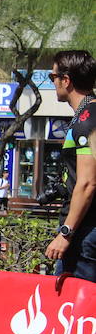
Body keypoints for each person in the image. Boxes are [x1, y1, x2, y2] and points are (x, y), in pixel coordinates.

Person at [44, 50, 96, 280]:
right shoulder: (88, 115)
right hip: (86, 231)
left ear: (66, 80)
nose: (53, 83)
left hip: (85, 233)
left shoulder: (87, 121)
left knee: (75, 311)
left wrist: (65, 233)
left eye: (52, 77)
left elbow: (87, 183)